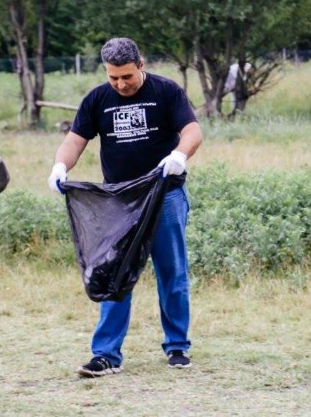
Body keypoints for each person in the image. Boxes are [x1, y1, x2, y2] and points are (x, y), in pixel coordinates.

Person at [48, 37, 203, 377]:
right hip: (118, 201)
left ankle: (177, 346)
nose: (120, 84)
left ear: (141, 65)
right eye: (113, 77)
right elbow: (75, 140)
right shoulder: (97, 99)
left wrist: (179, 155)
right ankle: (106, 355)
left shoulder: (166, 91)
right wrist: (60, 165)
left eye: (127, 77)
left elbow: (192, 131)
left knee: (172, 273)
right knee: (113, 273)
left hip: (164, 195)